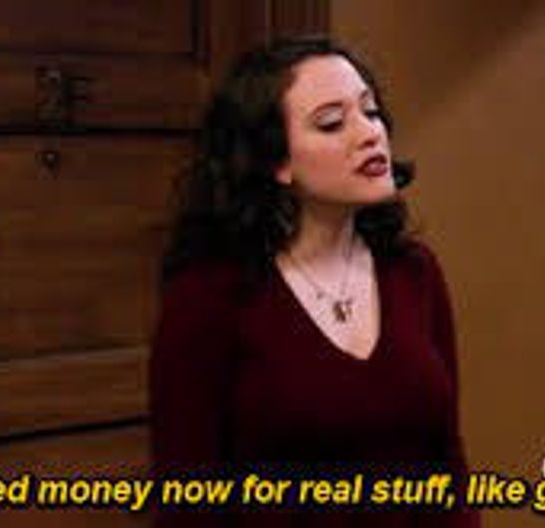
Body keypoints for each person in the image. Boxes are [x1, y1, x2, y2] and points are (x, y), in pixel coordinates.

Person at [149, 36, 480, 527]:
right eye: (331, 123)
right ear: (276, 161)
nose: (369, 134)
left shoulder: (413, 271)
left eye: (370, 111)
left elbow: (446, 461)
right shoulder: (210, 294)